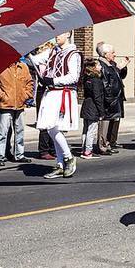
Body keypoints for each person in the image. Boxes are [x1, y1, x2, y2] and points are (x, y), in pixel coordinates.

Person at [30, 32, 82, 178]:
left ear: (68, 34)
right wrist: (27, 53)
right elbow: (35, 61)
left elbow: (74, 76)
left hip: (62, 93)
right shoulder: (53, 51)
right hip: (51, 93)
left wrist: (53, 81)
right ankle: (61, 164)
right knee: (51, 127)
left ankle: (68, 157)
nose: (56, 36)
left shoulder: (73, 54)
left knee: (53, 127)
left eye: (60, 34)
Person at [0, 60, 34, 166]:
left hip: (20, 104)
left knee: (20, 131)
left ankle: (19, 154)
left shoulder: (23, 66)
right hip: (6, 104)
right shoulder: (0, 66)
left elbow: (29, 82)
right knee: (2, 132)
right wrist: (1, 95)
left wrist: (26, 95)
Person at [96, 42, 130, 153]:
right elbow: (106, 83)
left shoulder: (111, 64)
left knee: (113, 121)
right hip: (110, 99)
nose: (114, 54)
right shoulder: (103, 65)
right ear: (105, 54)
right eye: (112, 52)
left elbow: (119, 76)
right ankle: (103, 145)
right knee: (105, 122)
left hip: (116, 98)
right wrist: (109, 98)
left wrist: (122, 67)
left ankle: (108, 143)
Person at [80, 58, 105, 159]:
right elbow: (97, 97)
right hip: (93, 108)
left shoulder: (87, 78)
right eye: (99, 65)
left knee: (85, 130)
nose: (101, 67)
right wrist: (101, 111)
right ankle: (88, 151)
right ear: (94, 68)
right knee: (91, 130)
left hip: (86, 105)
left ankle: (84, 149)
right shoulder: (96, 80)